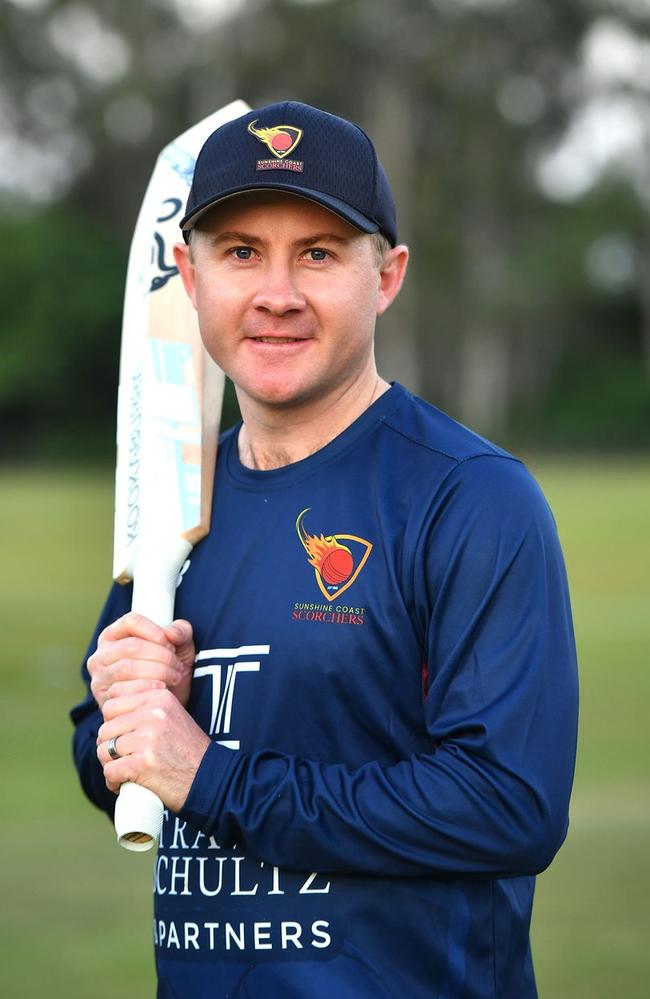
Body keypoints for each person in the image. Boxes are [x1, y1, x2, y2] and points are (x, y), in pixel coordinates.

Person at [71, 101, 578, 999]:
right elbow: (116, 760)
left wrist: (214, 777)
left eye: (318, 252)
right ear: (188, 277)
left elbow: (510, 807)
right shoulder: (178, 499)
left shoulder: (469, 498)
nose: (276, 293)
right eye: (240, 253)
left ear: (386, 275)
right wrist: (120, 719)